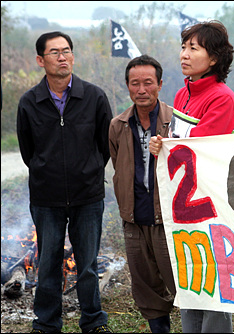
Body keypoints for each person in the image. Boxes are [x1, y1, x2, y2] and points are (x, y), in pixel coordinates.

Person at [16, 31, 112, 333]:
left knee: (86, 265)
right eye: (54, 52)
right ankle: (46, 324)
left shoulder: (94, 97)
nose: (62, 57)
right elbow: (27, 151)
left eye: (67, 50)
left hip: (88, 196)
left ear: (73, 56)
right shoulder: (30, 102)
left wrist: (90, 171)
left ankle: (93, 322)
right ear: (40, 60)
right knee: (48, 264)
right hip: (47, 199)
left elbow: (105, 145)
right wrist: (47, 173)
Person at [149, 20, 234, 333]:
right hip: (184, 209)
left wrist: (170, 148)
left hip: (211, 207)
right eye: (183, 47)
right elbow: (179, 146)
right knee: (191, 283)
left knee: (213, 289)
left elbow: (200, 151)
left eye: (193, 48)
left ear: (213, 58)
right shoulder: (183, 94)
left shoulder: (221, 97)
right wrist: (162, 144)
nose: (184, 54)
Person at [108, 55, 176, 333]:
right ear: (127, 86)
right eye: (135, 83)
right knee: (146, 287)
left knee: (181, 280)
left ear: (160, 84)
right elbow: (119, 166)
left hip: (170, 219)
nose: (141, 89)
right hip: (135, 220)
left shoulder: (175, 121)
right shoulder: (118, 125)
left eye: (148, 83)